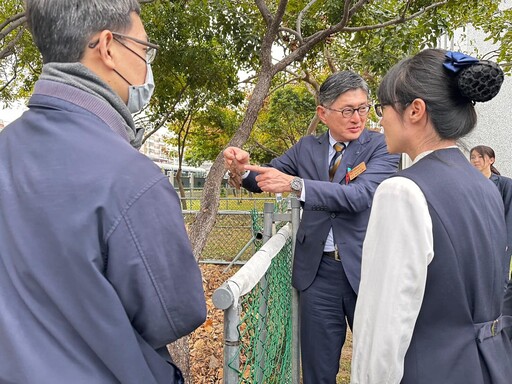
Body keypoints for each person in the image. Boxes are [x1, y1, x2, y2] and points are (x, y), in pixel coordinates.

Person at [0, 1, 206, 383]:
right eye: (144, 49)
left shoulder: (6, 147)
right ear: (109, 47)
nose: (147, 63)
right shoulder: (130, 178)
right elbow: (176, 312)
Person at [224, 71, 400, 383]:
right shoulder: (306, 148)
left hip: (368, 269)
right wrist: (240, 169)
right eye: (347, 110)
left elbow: (360, 196)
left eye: (363, 108)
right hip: (318, 273)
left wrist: (296, 185)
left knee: (380, 366)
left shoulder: (382, 146)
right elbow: (262, 179)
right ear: (323, 113)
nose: (357, 118)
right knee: (318, 368)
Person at [350, 49, 512, 384]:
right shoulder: (486, 188)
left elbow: (383, 329)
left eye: (383, 109)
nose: (380, 121)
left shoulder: (402, 192)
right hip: (489, 366)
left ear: (415, 110)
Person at [470, 145, 512, 338]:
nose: (475, 160)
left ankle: (499, 325)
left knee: (499, 280)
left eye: (480, 157)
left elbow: (509, 215)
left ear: (491, 160)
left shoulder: (504, 184)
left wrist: (506, 242)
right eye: (472, 157)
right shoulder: (469, 184)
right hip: (475, 241)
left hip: (498, 241)